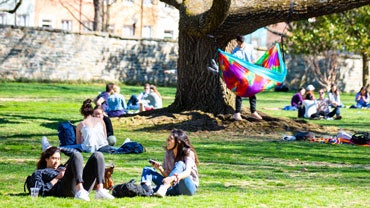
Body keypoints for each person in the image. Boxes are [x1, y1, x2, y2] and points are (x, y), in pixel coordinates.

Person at [28, 137, 114, 201]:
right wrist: (57, 178)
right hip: (64, 190)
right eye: (53, 158)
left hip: (82, 187)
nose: (56, 161)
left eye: (58, 159)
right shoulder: (40, 172)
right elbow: (38, 191)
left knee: (98, 155)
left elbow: (76, 152)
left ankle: (100, 190)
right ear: (46, 159)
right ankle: (79, 190)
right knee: (77, 156)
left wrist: (60, 149)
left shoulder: (61, 167)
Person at [140, 129, 199, 197]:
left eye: (170, 139)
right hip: (173, 187)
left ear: (178, 142)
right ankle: (146, 190)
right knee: (147, 169)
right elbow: (167, 176)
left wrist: (173, 178)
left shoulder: (188, 153)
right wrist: (160, 169)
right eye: (167, 139)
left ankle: (163, 188)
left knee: (180, 164)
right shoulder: (169, 153)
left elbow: (187, 172)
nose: (167, 141)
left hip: (187, 187)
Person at [232, 35, 262, 120]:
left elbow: (253, 60)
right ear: (236, 42)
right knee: (239, 93)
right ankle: (237, 113)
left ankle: (253, 112)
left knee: (252, 93)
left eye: (242, 43)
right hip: (240, 75)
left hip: (250, 74)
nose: (241, 44)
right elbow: (233, 64)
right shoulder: (235, 52)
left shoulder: (249, 47)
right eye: (239, 43)